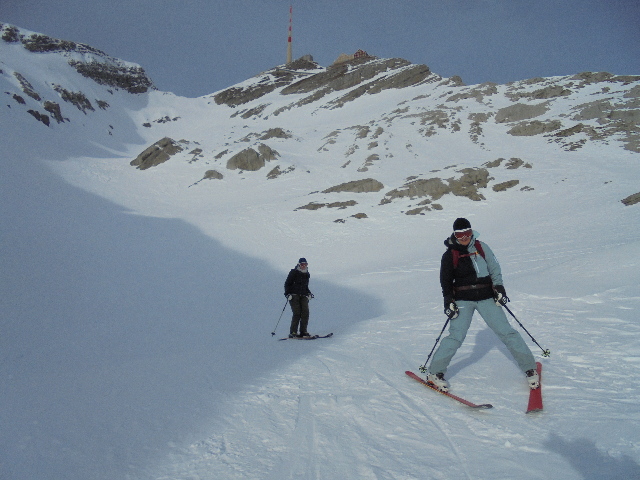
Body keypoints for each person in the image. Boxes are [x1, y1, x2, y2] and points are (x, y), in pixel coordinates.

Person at [427, 218, 539, 392]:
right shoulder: (449, 255)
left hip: (487, 297)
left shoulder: (481, 247)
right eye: (460, 235)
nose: (464, 237)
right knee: (456, 336)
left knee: (507, 332)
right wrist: (448, 302)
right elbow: (445, 281)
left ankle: (529, 368)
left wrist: (499, 288)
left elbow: (494, 268)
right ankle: (435, 372)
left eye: (467, 233)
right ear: (454, 235)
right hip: (463, 299)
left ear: (471, 232)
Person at [284, 258, 314, 338]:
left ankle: (303, 331)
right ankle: (293, 332)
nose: (304, 266)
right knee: (297, 313)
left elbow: (305, 286)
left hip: (303, 295)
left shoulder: (307, 274)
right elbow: (287, 283)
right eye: (302, 264)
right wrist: (287, 294)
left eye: (305, 264)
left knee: (305, 312)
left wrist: (309, 293)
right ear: (299, 264)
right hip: (294, 295)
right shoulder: (294, 272)